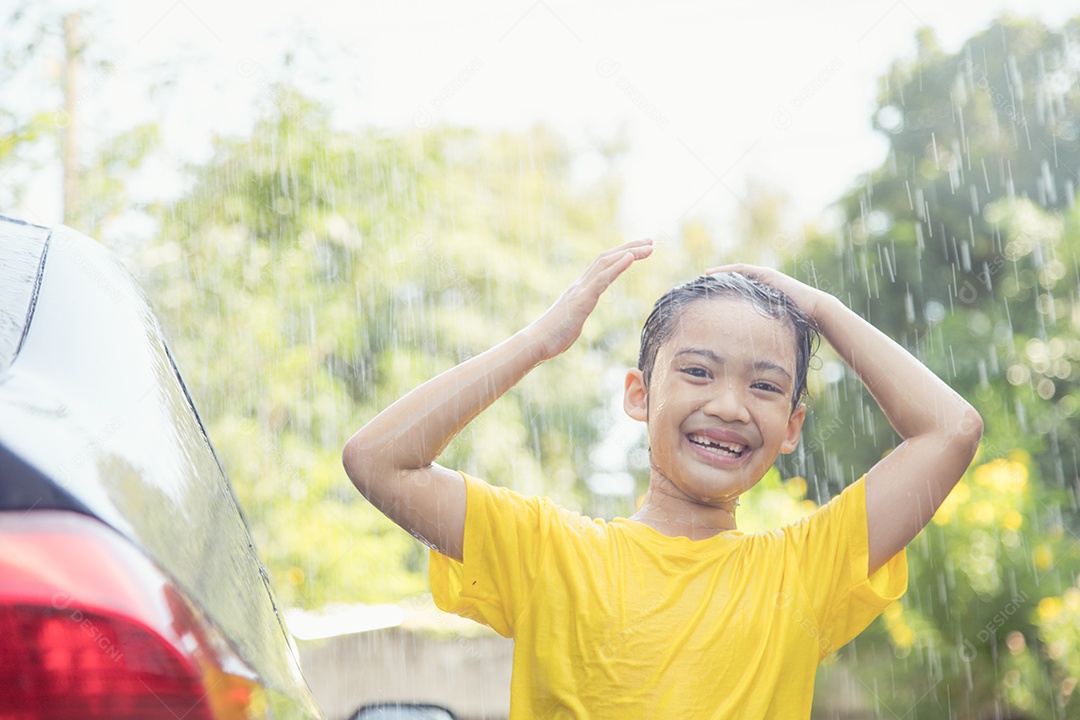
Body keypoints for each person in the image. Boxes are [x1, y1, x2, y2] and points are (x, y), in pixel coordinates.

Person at [342, 238, 983, 718]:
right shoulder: (545, 552)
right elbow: (377, 459)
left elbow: (951, 429)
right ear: (639, 396)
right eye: (699, 372)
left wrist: (821, 308)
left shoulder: (803, 571)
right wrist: (539, 340)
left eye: (764, 385)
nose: (730, 406)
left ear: (791, 428)